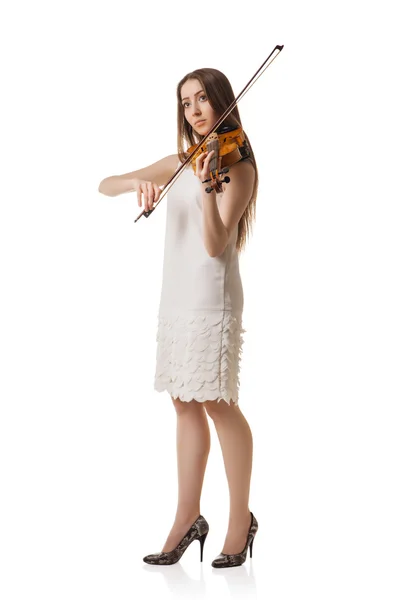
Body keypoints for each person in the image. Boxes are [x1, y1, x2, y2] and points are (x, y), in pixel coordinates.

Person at [98, 68, 259, 568]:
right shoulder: (179, 162)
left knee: (217, 404)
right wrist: (136, 185)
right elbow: (104, 185)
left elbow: (215, 245)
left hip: (212, 300)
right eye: (185, 101)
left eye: (202, 99)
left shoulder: (239, 168)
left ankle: (240, 522)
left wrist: (211, 187)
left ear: (222, 104)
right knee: (184, 404)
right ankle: (188, 515)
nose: (193, 109)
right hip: (176, 299)